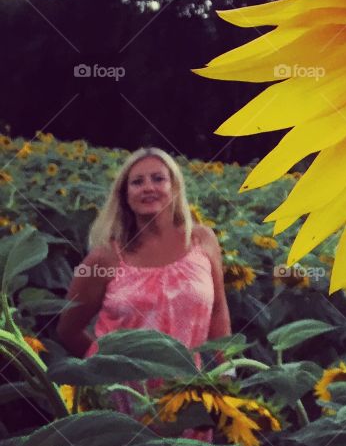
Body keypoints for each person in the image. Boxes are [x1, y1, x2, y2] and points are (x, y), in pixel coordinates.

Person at [57, 147, 231, 407]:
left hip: (187, 399)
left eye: (158, 179)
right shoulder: (105, 257)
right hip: (120, 403)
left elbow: (218, 311)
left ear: (174, 187)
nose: (148, 187)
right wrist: (108, 370)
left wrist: (227, 375)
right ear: (125, 195)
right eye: (137, 182)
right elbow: (68, 329)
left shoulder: (201, 240)